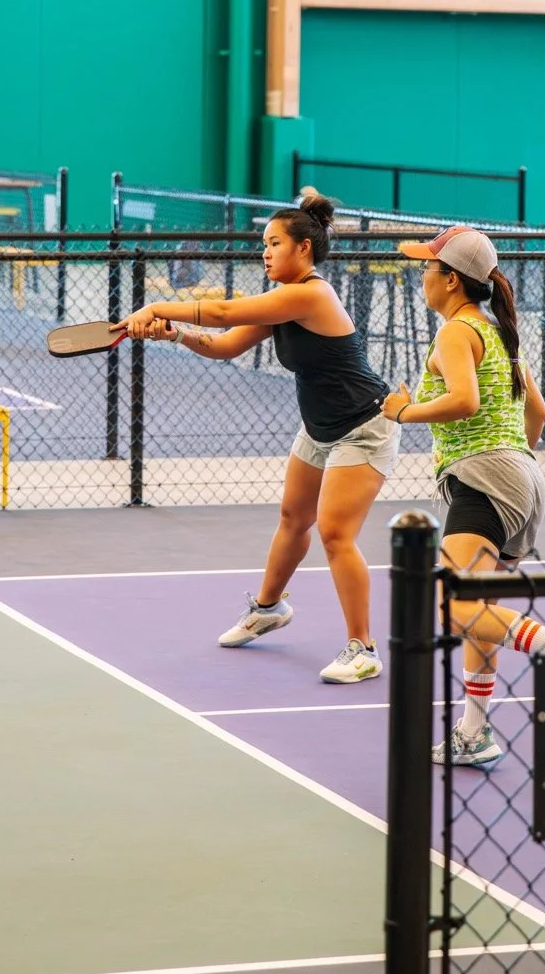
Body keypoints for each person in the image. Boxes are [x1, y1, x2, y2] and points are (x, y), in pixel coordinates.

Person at [125, 195, 398, 684]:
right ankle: (268, 608)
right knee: (294, 519)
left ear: (305, 248)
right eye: (263, 244)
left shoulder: (311, 295)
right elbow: (227, 345)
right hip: (319, 427)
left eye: (274, 243)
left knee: (336, 534)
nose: (265, 253)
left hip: (364, 427)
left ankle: (364, 648)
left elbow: (225, 312)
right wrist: (174, 334)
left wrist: (155, 305)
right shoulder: (282, 300)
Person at [381, 225, 545, 769]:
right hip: (522, 481)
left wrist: (404, 412)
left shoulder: (456, 333)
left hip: (485, 481)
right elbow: (539, 413)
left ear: (452, 281)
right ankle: (474, 732)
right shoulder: (500, 332)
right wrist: (513, 462)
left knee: (448, 606)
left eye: (428, 268)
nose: (422, 276)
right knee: (475, 609)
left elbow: (464, 400)